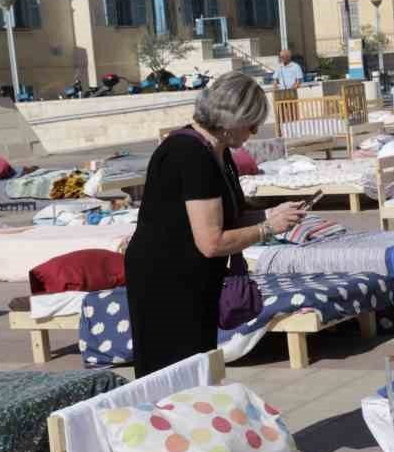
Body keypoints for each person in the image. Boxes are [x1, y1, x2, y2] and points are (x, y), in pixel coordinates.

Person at [124, 72, 307, 377]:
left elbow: (228, 217)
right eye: (251, 123)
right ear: (231, 118)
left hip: (196, 280)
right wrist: (267, 228)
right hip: (167, 283)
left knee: (198, 371)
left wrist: (273, 214)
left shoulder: (219, 152)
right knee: (173, 377)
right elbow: (211, 243)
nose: (255, 130)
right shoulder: (189, 154)